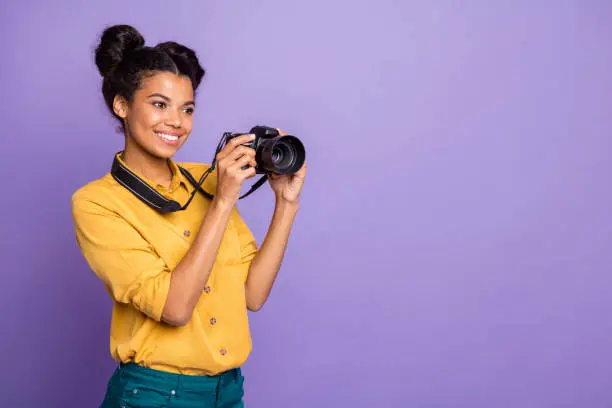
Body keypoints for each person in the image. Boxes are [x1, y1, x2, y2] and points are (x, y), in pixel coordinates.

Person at [71, 24, 306, 408]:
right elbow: (175, 309)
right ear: (122, 105)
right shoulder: (97, 203)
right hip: (155, 394)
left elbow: (253, 295)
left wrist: (286, 203)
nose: (177, 122)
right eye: (159, 104)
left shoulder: (209, 180)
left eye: (188, 108)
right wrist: (222, 202)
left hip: (227, 392)